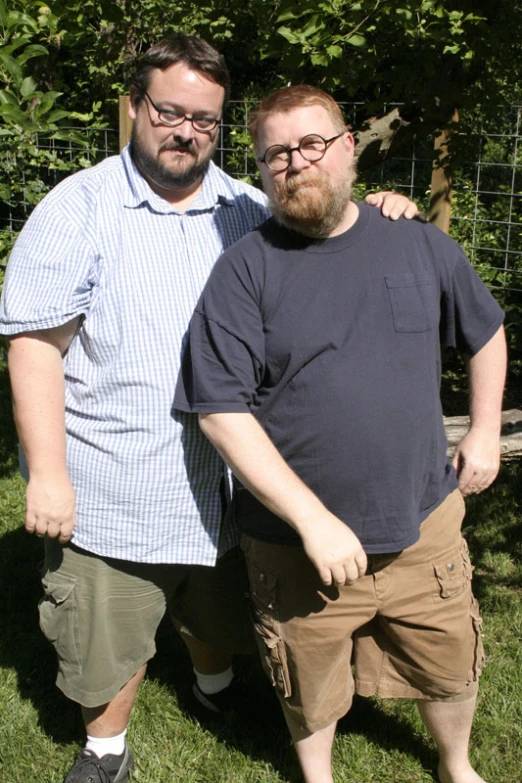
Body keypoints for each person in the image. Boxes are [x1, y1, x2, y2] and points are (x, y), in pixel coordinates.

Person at [0, 36, 419, 783]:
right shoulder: (79, 208)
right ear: (134, 106)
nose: (185, 130)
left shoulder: (248, 207)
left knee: (216, 614)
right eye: (169, 110)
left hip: (233, 484)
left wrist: (382, 211)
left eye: (205, 118)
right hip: (117, 485)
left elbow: (332, 237)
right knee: (109, 633)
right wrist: (49, 474)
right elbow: (35, 347)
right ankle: (106, 749)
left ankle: (213, 690)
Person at [174, 84, 507, 783]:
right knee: (306, 671)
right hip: (296, 544)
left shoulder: (418, 244)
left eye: (311, 144)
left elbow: (486, 332)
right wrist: (312, 519)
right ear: (262, 170)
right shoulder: (244, 271)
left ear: (349, 147)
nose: (295, 162)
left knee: (449, 661)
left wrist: (481, 430)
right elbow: (220, 410)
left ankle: (456, 763)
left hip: (425, 521)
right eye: (276, 155)